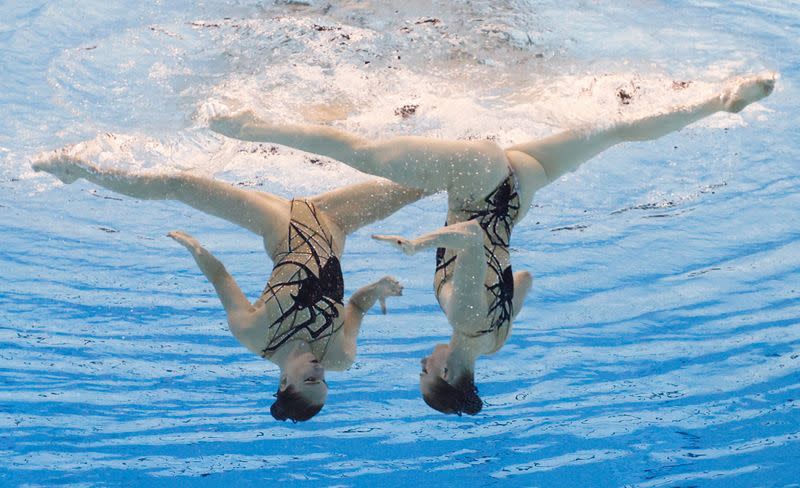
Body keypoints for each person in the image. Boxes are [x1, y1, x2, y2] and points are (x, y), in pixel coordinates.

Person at [206, 73, 775, 415]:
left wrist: (495, 269)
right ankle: (252, 127)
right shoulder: (463, 316)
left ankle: (716, 103)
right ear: (448, 373)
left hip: (518, 193)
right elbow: (473, 241)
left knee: (615, 131)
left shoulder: (495, 339)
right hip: (478, 190)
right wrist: (423, 243)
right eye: (427, 370)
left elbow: (522, 281)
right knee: (369, 153)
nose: (423, 360)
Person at [32, 144, 428, 422]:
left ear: (284, 382)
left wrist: (196, 250)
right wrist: (378, 289)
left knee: (178, 184)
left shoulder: (254, 333)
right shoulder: (339, 356)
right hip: (335, 221)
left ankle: (77, 171)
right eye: (323, 381)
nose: (320, 372)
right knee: (420, 183)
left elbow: (222, 277)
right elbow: (355, 307)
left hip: (282, 224)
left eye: (310, 380)